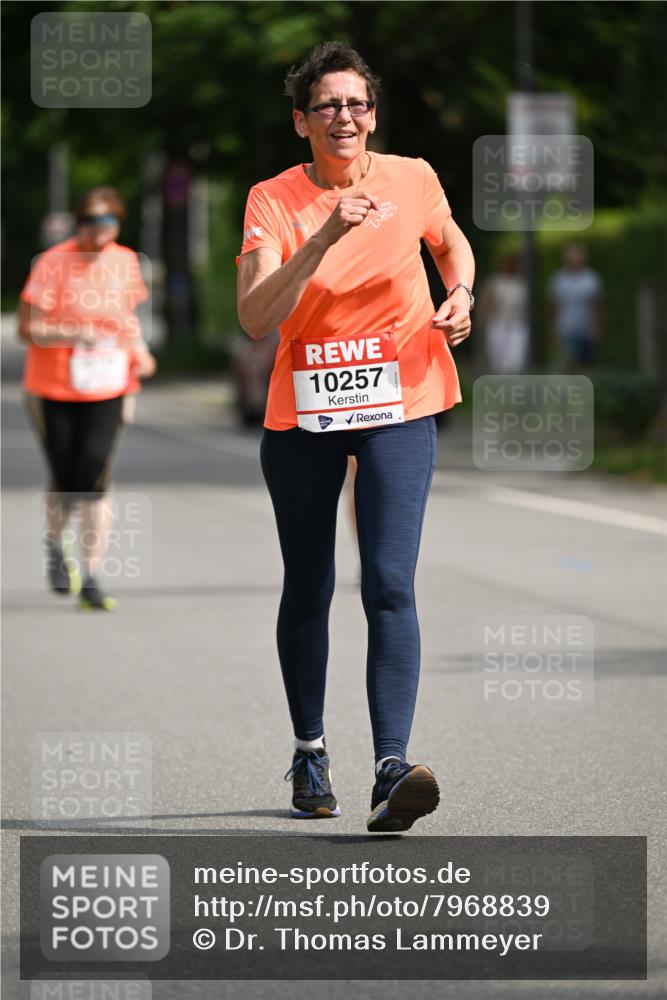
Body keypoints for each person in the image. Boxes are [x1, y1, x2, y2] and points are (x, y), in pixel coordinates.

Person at [236, 42, 474, 833]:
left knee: (388, 582)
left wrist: (461, 291)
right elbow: (255, 315)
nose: (346, 116)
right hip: (304, 412)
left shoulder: (412, 176)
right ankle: (309, 750)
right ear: (301, 120)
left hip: (401, 399)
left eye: (358, 104)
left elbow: (449, 242)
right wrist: (323, 237)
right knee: (308, 586)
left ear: (373, 114)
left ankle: (390, 767)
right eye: (329, 105)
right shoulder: (271, 199)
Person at [18, 186, 156, 610]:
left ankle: (92, 575)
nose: (101, 234)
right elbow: (26, 330)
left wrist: (140, 352)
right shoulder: (53, 263)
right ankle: (55, 546)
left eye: (109, 224)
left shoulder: (126, 261)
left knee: (96, 476)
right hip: (53, 385)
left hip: (109, 384)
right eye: (92, 224)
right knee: (66, 477)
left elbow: (127, 318)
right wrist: (71, 334)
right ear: (79, 224)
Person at [547, 244, 603, 368]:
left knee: (587, 365)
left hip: (586, 329)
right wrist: (553, 330)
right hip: (566, 329)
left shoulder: (591, 279)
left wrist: (597, 327)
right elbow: (553, 307)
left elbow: (597, 306)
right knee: (570, 364)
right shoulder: (558, 279)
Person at [477, 250, 528, 373]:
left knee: (514, 359)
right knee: (497, 358)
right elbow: (486, 303)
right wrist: (482, 321)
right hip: (497, 323)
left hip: (517, 324)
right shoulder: (495, 282)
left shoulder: (522, 283)